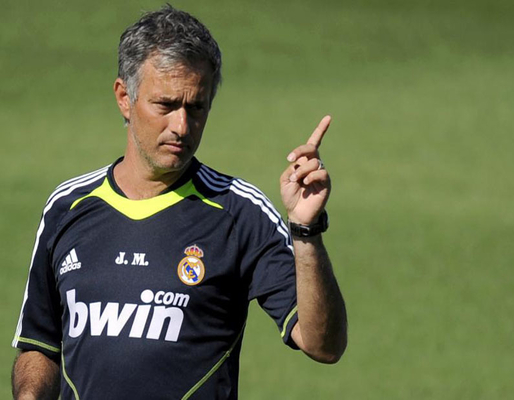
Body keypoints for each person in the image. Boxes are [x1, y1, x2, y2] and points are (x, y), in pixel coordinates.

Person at [11, 5, 347, 399]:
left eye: (196, 106)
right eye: (166, 105)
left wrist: (306, 231)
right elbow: (39, 344)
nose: (182, 127)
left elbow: (324, 344)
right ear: (124, 97)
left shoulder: (240, 213)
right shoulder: (66, 207)